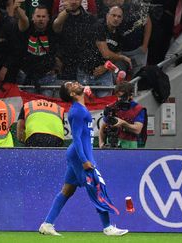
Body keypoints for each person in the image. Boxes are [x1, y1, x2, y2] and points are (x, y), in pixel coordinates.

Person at [38, 81, 128, 236]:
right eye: (71, 85)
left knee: (67, 191)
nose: (75, 83)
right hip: (81, 156)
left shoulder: (80, 108)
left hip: (77, 155)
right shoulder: (77, 111)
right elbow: (77, 138)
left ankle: (47, 224)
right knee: (96, 187)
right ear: (72, 94)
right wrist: (85, 160)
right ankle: (108, 227)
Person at [18, 5, 62, 97]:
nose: (41, 19)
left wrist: (67, 10)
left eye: (43, 16)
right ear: (33, 17)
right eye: (38, 16)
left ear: (48, 18)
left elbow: (58, 22)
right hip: (28, 76)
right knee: (29, 105)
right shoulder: (27, 27)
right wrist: (17, 9)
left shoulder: (52, 28)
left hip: (48, 76)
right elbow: (23, 20)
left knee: (47, 105)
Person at [98, 82, 147, 149]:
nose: (120, 99)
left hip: (130, 145)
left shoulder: (138, 109)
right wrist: (101, 144)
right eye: (118, 96)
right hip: (110, 144)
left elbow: (137, 129)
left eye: (123, 96)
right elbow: (102, 129)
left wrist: (123, 123)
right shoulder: (111, 107)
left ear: (130, 95)